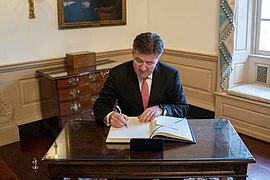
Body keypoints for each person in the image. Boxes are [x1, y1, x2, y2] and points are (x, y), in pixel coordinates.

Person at [93, 32, 189, 128]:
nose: (143, 68)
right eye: (139, 61)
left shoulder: (170, 75)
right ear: (133, 53)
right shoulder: (118, 74)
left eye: (149, 63)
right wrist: (111, 116)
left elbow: (182, 108)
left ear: (158, 58)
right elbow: (101, 105)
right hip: (128, 129)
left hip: (160, 130)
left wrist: (161, 109)